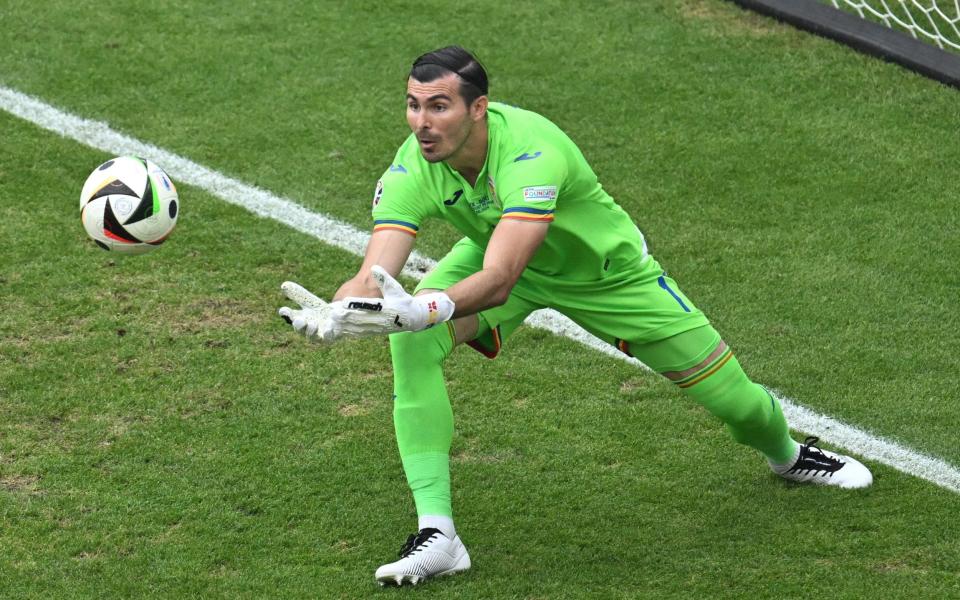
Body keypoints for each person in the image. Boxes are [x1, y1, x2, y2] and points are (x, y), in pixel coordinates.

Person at [278, 45, 873, 587]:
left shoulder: (533, 152)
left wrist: (428, 306)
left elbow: (501, 277)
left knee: (736, 402)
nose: (421, 123)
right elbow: (375, 269)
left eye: (438, 106)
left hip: (606, 278)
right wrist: (344, 309)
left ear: (478, 108)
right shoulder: (415, 162)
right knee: (410, 343)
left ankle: (789, 455)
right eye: (412, 106)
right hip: (497, 258)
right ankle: (439, 535)